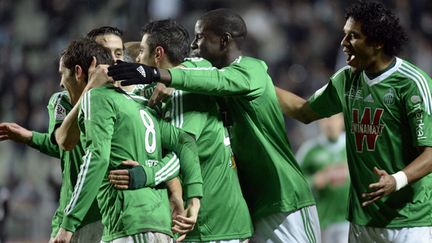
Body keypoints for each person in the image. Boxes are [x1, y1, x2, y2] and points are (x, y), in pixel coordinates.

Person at [108, 9, 320, 242]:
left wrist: (163, 75)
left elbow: (215, 80)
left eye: (200, 37)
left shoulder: (252, 69)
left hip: (283, 194)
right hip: (252, 200)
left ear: (224, 40)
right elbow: (200, 71)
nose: (194, 44)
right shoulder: (202, 77)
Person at [274, 1, 432, 242]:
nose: (343, 43)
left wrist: (397, 180)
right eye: (344, 35)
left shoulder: (412, 84)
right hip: (363, 220)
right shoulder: (347, 79)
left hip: (410, 221)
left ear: (378, 42)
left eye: (353, 36)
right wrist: (260, 84)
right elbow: (304, 112)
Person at [109, 19, 254, 242]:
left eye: (143, 52)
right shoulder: (182, 81)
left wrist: (145, 174)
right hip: (206, 220)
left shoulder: (182, 94)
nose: (137, 58)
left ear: (158, 54)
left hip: (214, 224)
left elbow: (180, 154)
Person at [52, 38, 203, 243]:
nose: (61, 82)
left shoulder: (96, 98)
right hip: (159, 224)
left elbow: (97, 158)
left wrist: (68, 224)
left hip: (129, 224)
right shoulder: (142, 105)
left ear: (78, 72)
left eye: (63, 73)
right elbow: (185, 141)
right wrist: (194, 197)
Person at [0, 25, 127, 242]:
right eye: (107, 52)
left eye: (119, 53)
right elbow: (63, 143)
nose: (114, 61)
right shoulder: (62, 101)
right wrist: (31, 137)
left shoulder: (130, 101)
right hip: (74, 213)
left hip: (114, 217)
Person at [296, 113, 349, 243]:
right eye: (325, 119)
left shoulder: (353, 146)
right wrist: (313, 181)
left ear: (342, 120)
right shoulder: (309, 150)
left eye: (333, 119)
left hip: (351, 220)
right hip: (323, 221)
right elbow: (295, 185)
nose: (330, 124)